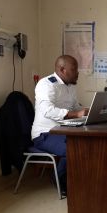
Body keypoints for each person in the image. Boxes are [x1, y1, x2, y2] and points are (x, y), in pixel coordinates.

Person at [31, 55, 88, 196]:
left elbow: (75, 106)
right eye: (74, 69)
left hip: (64, 131)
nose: (78, 73)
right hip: (45, 134)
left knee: (86, 144)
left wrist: (88, 111)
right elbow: (47, 110)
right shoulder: (46, 84)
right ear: (63, 70)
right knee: (73, 149)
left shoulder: (70, 86)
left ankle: (80, 179)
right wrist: (76, 114)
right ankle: (59, 180)